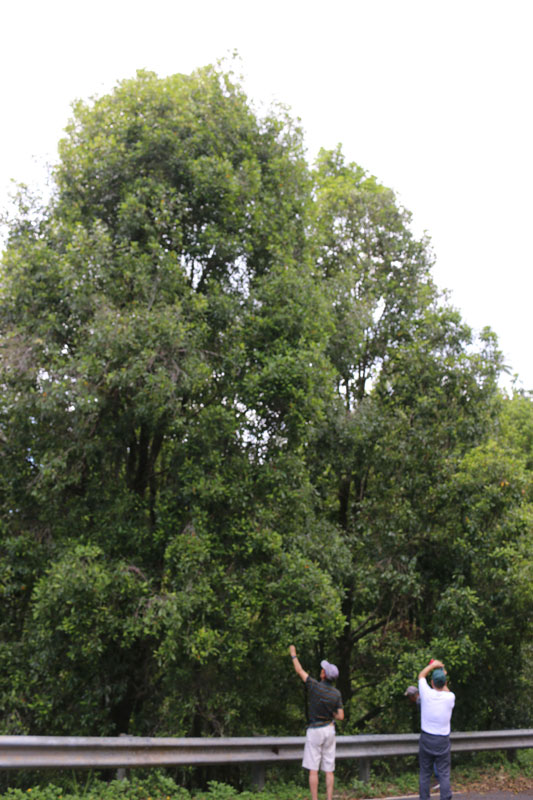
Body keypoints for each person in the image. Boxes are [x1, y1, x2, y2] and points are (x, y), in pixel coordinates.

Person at [289, 645, 344, 800]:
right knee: (329, 769)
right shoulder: (336, 693)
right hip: (329, 730)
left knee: (313, 769)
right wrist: (331, 713)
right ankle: (329, 798)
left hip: (315, 730)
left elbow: (299, 671)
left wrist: (293, 655)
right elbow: (341, 716)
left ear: (323, 674)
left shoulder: (314, 686)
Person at [417, 659, 455, 800]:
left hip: (427, 738)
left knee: (425, 773)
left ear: (431, 682)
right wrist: (442, 676)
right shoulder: (450, 697)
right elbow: (444, 689)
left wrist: (432, 666)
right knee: (444, 773)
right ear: (445, 683)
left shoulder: (426, 694)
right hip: (442, 740)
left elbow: (421, 676)